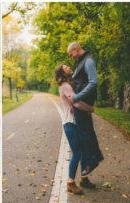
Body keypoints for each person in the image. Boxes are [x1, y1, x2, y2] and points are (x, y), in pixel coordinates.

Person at [55, 64, 96, 194]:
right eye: (66, 67)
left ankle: (83, 178)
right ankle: (70, 182)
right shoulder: (65, 86)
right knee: (77, 152)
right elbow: (76, 103)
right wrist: (90, 109)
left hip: (76, 122)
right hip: (70, 123)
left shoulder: (69, 85)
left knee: (84, 150)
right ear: (62, 73)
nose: (69, 67)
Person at [67, 42, 103, 176]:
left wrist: (76, 97)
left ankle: (91, 161)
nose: (71, 57)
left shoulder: (88, 61)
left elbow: (93, 82)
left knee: (84, 134)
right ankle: (96, 156)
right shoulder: (82, 61)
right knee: (89, 131)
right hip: (82, 103)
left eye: (71, 54)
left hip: (81, 102)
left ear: (76, 49)